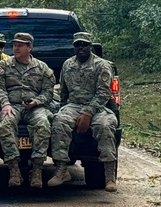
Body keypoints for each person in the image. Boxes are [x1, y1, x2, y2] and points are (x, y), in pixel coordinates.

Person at [48, 31, 119, 191]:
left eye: (84, 45)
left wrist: (88, 113)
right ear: (74, 47)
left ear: (90, 46)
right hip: (73, 105)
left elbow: (104, 93)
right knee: (59, 121)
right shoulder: (68, 64)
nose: (81, 48)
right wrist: (64, 109)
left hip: (98, 107)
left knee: (105, 126)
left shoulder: (102, 65)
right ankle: (61, 170)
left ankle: (109, 176)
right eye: (77, 45)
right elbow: (64, 92)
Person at [0, 32, 56, 188]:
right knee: (4, 124)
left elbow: (48, 92)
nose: (16, 48)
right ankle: (14, 170)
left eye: (20, 45)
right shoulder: (4, 66)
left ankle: (37, 171)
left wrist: (36, 102)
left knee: (42, 124)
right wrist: (5, 103)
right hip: (11, 105)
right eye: (14, 45)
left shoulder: (42, 68)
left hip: (34, 107)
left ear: (30, 47)